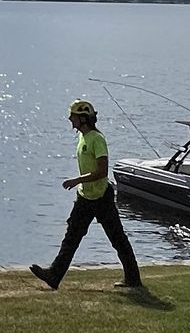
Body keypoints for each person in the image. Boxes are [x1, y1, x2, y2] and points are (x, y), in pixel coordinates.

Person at [31, 98, 145, 292]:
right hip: (85, 197)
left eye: (73, 116)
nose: (70, 119)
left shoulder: (97, 139)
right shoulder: (82, 138)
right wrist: (80, 185)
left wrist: (77, 180)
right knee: (72, 236)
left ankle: (133, 278)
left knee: (117, 238)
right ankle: (54, 275)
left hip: (102, 197)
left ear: (83, 118)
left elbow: (102, 171)